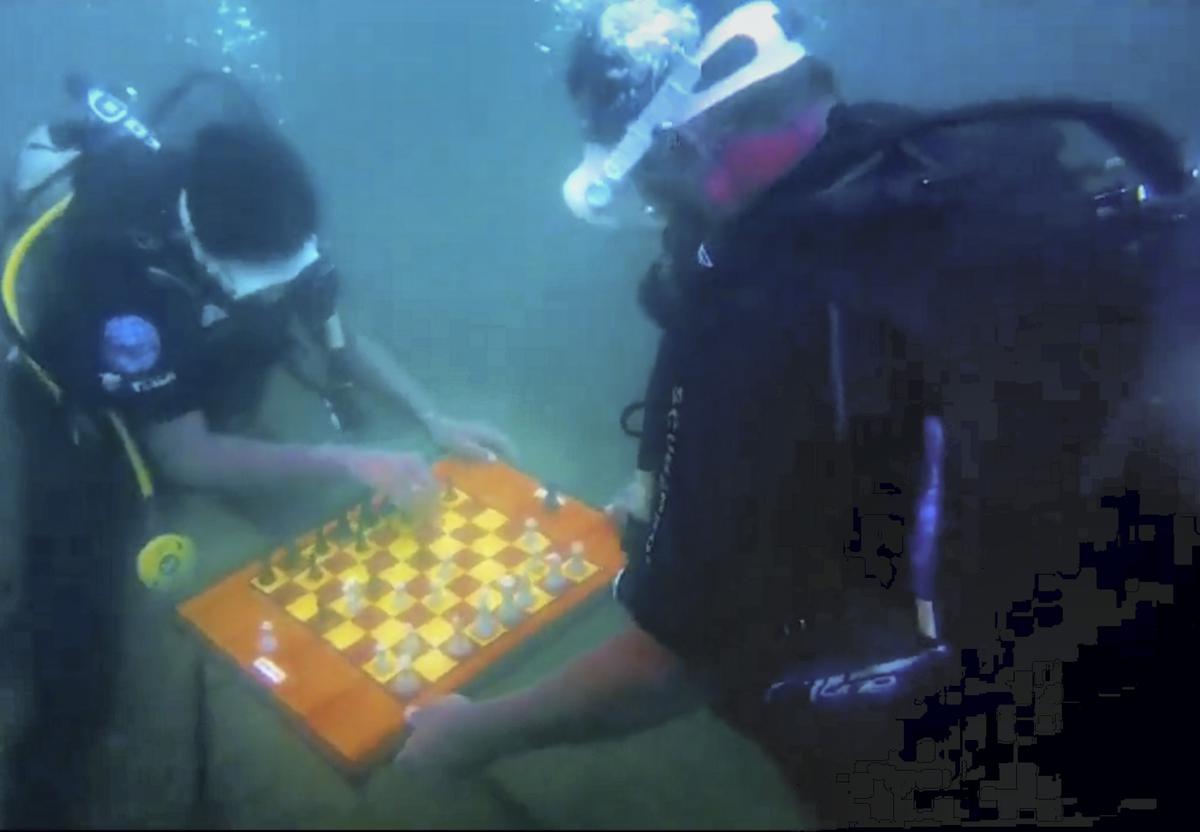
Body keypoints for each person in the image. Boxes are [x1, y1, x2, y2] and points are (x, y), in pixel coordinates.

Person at [394, 0, 1199, 824]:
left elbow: (677, 660)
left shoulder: (764, 311)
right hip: (1157, 636)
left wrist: (472, 734)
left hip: (1040, 750)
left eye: (649, 181)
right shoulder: (943, 158)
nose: (657, 212)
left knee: (763, 681)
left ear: (679, 145)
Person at [0, 71, 515, 828]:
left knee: (335, 532)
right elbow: (183, 455)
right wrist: (348, 460)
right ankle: (43, 771)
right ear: (205, 253)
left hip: (198, 387)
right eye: (263, 287)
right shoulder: (112, 274)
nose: (281, 295)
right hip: (85, 418)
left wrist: (432, 417)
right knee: (77, 639)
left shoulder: (273, 214)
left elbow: (335, 332)